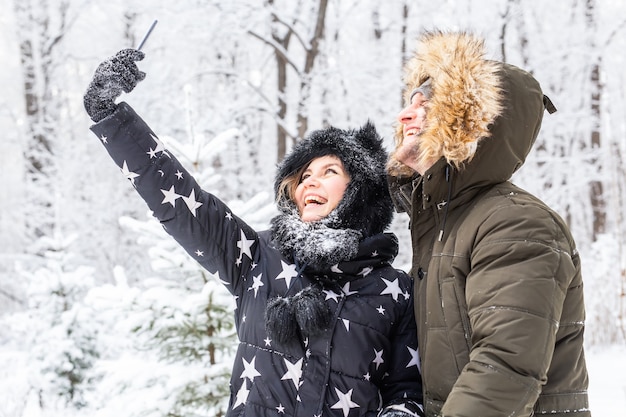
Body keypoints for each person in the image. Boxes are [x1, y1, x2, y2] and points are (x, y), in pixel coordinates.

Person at [83, 49, 424, 417]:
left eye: (329, 172)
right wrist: (110, 116)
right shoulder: (258, 256)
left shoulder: (396, 292)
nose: (311, 182)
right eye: (304, 175)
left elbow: (407, 392)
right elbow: (182, 203)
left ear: (360, 190)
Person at [387, 30, 591, 417]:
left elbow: (503, 367)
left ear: (468, 122)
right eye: (408, 104)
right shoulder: (444, 223)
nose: (405, 115)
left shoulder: (517, 223)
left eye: (426, 106)